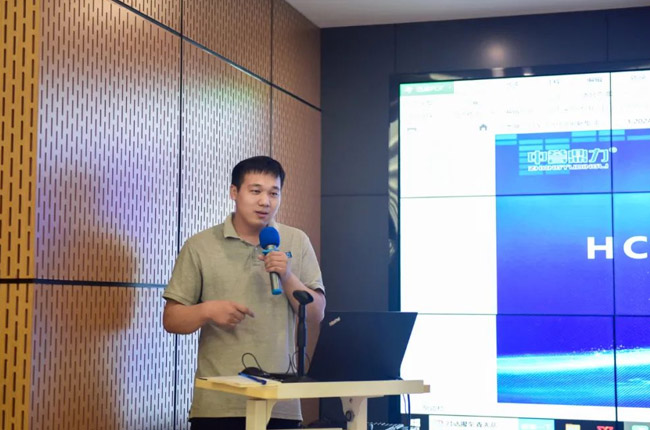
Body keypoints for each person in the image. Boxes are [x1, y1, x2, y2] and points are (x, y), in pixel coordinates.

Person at [162, 156, 326, 430]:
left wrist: (287, 276)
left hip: (280, 404)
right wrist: (207, 310)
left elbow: (316, 313)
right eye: (256, 191)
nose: (265, 201)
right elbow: (171, 320)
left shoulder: (296, 241)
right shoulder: (200, 245)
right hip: (217, 405)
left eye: (274, 193)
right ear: (234, 192)